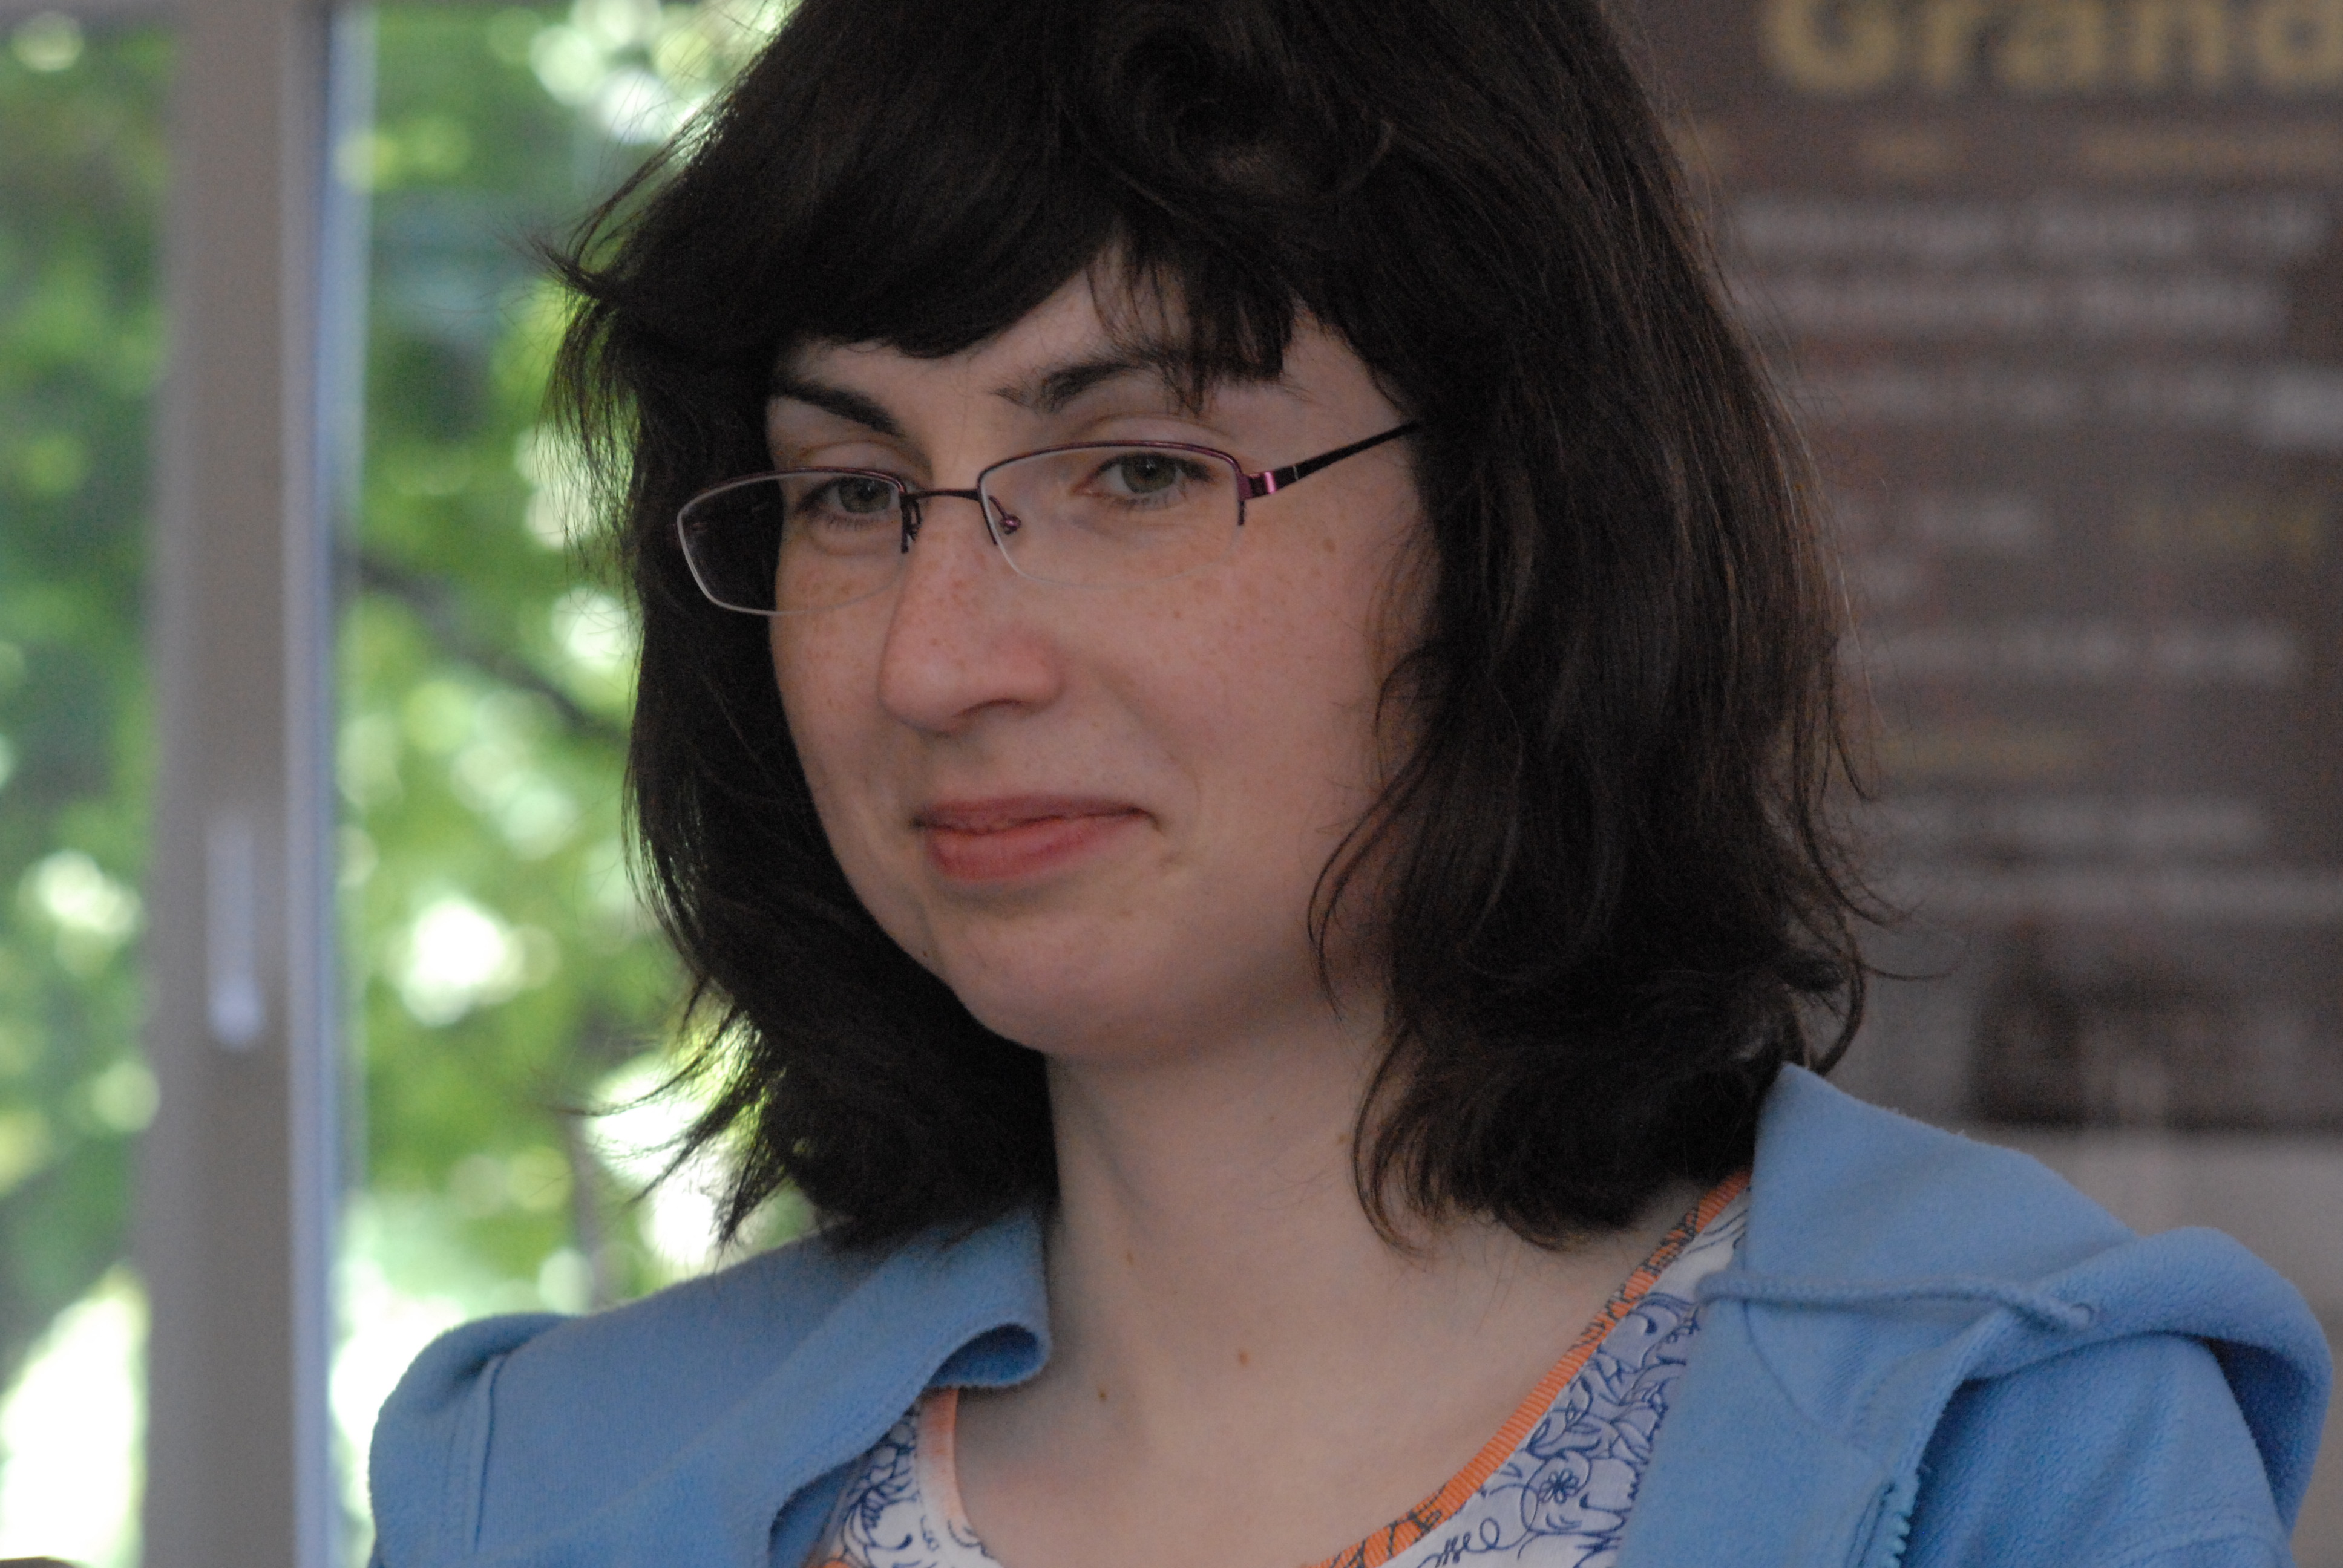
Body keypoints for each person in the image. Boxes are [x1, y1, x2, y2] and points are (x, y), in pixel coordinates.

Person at [369, 0, 2331, 1563]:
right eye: (855, 493)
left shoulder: (2021, 1442)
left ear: (1523, 521)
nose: (935, 661)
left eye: (1141, 469)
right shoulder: (540, 1486)